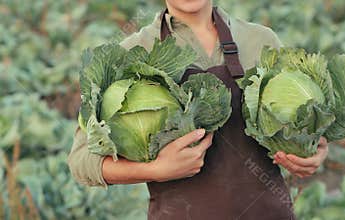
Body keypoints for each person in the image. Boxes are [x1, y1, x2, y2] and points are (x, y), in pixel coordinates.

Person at [67, 0, 329, 219]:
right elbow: (82, 161)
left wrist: (311, 151)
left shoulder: (260, 40)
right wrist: (156, 170)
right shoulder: (131, 53)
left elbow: (301, 120)